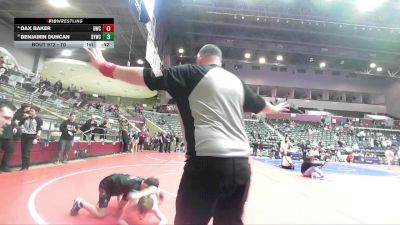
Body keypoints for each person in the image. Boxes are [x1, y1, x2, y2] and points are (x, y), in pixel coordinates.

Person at [85, 45, 289, 225]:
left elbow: (145, 75)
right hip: (241, 168)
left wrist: (105, 67)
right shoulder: (236, 82)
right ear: (220, 60)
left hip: (206, 164)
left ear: (200, 58)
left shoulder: (191, 72)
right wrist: (276, 107)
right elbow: (265, 107)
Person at [70, 174, 161, 219]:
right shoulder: (135, 188)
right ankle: (80, 203)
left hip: (114, 183)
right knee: (101, 214)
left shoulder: (141, 181)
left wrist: (121, 207)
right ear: (146, 186)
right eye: (150, 189)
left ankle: (101, 203)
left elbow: (125, 198)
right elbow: (131, 196)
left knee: (120, 207)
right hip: (105, 186)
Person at [18, 106, 42, 170]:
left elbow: (39, 129)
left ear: (36, 112)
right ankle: (23, 167)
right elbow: (19, 124)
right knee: (23, 152)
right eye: (30, 111)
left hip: (31, 137)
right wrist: (23, 118)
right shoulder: (26, 118)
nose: (30, 112)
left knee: (26, 152)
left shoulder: (39, 119)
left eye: (32, 111)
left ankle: (26, 167)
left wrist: (36, 138)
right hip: (24, 136)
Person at [0, 100, 17, 172]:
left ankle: (4, 166)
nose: (9, 123)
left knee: (10, 150)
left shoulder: (12, 122)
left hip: (8, 137)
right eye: (6, 118)